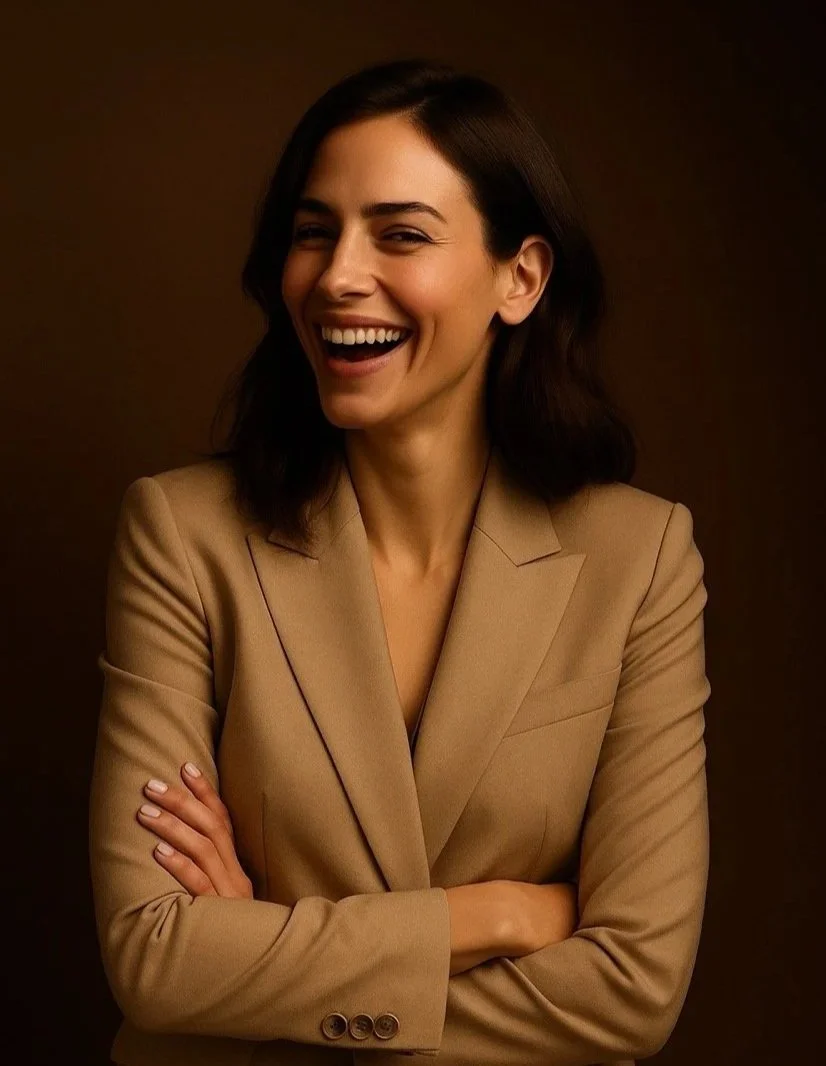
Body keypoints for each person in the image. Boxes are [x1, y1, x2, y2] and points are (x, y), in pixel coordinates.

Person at [89, 57, 712, 1066]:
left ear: (521, 277)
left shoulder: (637, 558)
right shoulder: (181, 533)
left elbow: (630, 990)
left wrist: (265, 967)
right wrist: (501, 913)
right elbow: (155, 956)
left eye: (401, 234)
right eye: (312, 231)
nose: (338, 274)